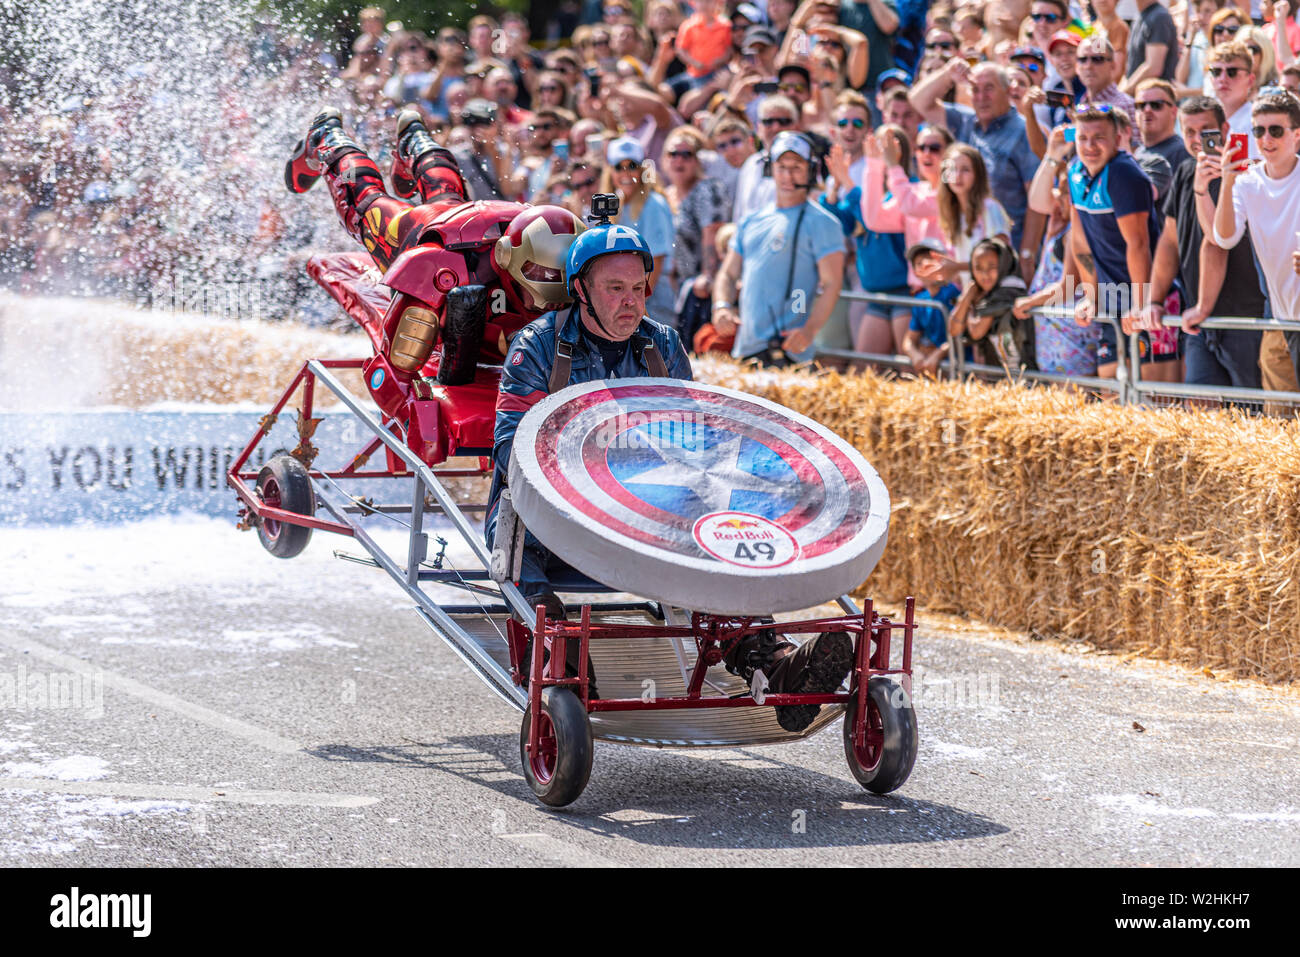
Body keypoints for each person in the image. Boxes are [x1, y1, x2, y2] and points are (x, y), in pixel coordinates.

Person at [489, 203, 852, 730]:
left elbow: (700, 441)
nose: (630, 302)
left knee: (715, 527)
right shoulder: (539, 345)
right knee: (515, 531)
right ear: (582, 289)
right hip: (554, 515)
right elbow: (508, 448)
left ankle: (775, 665)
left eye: (638, 289)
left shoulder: (662, 344)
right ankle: (558, 660)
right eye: (615, 289)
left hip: (648, 512)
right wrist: (587, 474)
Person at [1141, 96, 1264, 390]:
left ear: (1224, 129)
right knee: (1199, 409)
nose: (1198, 140)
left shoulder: (1245, 173)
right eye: (1190, 132)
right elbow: (1170, 242)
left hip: (1245, 318)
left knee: (1253, 412)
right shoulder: (1184, 171)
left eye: (1206, 131)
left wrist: (1202, 307)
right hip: (1198, 319)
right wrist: (1153, 301)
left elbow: (1216, 243)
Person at [713, 131, 846, 365]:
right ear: (770, 169)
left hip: (788, 354)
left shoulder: (824, 223)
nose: (787, 175)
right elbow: (728, 272)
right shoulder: (750, 221)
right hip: (746, 349)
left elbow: (831, 283)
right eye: (781, 166)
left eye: (796, 167)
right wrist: (722, 306)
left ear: (811, 170)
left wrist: (809, 331)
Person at [1066, 105, 1163, 381]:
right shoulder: (1074, 171)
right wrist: (1091, 296)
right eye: (1083, 138)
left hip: (1146, 296)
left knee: (1156, 397)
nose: (1090, 146)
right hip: (1112, 300)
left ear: (1117, 139)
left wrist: (1140, 303)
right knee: (1109, 391)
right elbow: (1081, 242)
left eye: (1099, 137)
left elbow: (1139, 244)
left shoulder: (1123, 174)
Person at [1210, 89, 1300, 386]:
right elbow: (1224, 238)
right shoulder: (1246, 182)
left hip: (1286, 316)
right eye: (1258, 131)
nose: (1266, 139)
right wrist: (1226, 181)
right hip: (1279, 318)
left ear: (1296, 135)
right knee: (1278, 422)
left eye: (1276, 130)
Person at [909, 59, 1040, 252]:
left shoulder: (1024, 132)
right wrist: (948, 72)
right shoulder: (964, 121)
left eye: (989, 88)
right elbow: (918, 101)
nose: (981, 97)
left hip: (1009, 249)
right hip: (967, 246)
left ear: (1007, 90)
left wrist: (1028, 254)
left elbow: (1036, 201)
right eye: (975, 89)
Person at [603, 136, 678, 329]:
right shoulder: (615, 204)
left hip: (650, 295)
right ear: (610, 171)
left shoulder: (654, 203)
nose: (626, 172)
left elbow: (657, 260)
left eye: (632, 165)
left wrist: (639, 301)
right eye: (619, 167)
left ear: (643, 169)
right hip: (628, 297)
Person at [901, 239, 961, 376]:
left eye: (930, 261)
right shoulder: (920, 300)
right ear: (914, 271)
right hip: (932, 369)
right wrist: (915, 355)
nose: (925, 266)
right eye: (919, 263)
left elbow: (962, 336)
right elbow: (909, 339)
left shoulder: (953, 294)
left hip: (955, 370)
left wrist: (938, 354)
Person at [1135, 79, 1193, 173]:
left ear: (1174, 112)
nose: (1147, 110)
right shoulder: (1138, 152)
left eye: (1156, 105)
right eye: (1141, 105)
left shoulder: (1182, 153)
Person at [1124, 0, 1181, 91]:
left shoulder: (1159, 17)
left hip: (1155, 100)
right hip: (1139, 97)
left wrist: (1125, 92)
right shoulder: (1139, 16)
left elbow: (1153, 68)